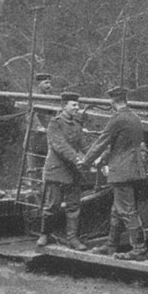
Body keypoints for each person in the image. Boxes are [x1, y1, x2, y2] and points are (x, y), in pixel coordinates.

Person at [81, 86, 148, 260]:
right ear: (126, 100)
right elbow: (119, 145)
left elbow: (101, 142)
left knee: (126, 210)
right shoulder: (134, 118)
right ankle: (111, 245)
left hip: (122, 171)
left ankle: (139, 249)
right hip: (134, 168)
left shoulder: (117, 120)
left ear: (112, 102)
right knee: (116, 210)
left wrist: (86, 161)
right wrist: (102, 159)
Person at [36, 92, 87, 250]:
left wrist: (94, 158)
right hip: (56, 171)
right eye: (74, 105)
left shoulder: (78, 125)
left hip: (72, 173)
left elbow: (83, 146)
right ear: (64, 106)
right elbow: (60, 145)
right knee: (52, 205)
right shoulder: (54, 123)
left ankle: (72, 239)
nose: (77, 108)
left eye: (78, 105)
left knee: (73, 207)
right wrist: (77, 158)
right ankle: (45, 234)